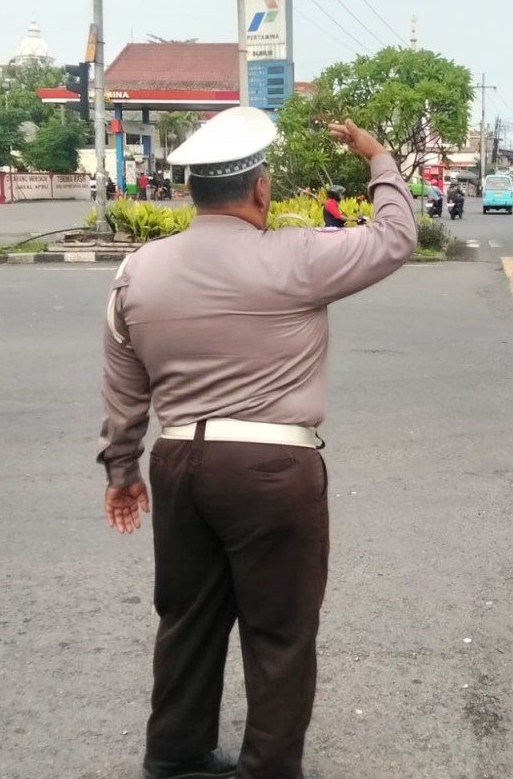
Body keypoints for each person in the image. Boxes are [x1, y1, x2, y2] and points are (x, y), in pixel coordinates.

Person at [98, 109, 415, 779]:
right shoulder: (297, 255)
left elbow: (123, 381)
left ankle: (175, 758)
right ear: (261, 189)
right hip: (273, 467)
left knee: (186, 619)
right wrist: (379, 158)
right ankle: (268, 769)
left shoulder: (138, 269)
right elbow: (395, 238)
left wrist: (122, 469)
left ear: (189, 192)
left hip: (178, 461)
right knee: (279, 631)